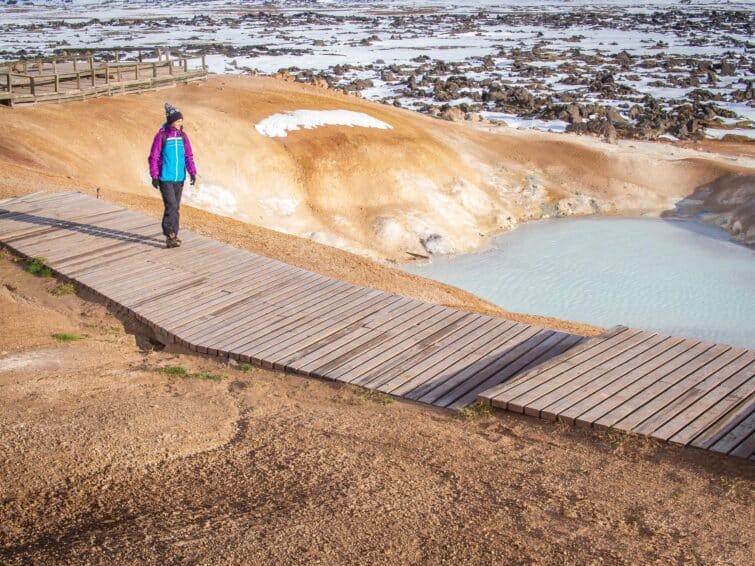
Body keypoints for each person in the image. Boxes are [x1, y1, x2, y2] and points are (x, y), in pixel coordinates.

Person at [148, 102, 197, 248]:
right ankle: (171, 234)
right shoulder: (162, 136)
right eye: (177, 120)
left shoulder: (183, 137)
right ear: (171, 121)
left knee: (175, 208)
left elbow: (188, 156)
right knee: (171, 205)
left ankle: (172, 235)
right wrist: (155, 176)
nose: (180, 123)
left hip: (179, 178)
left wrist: (192, 172)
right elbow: (154, 156)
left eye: (181, 120)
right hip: (165, 178)